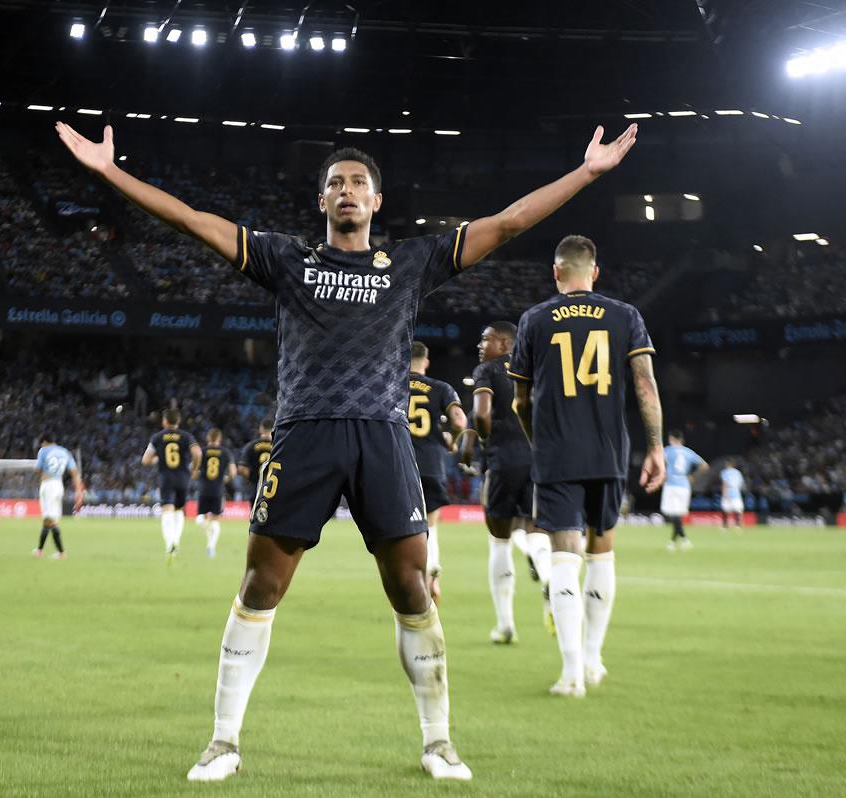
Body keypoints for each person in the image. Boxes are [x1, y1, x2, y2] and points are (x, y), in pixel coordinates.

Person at [56, 116, 637, 782]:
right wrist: (108, 172)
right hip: (303, 433)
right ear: (323, 201)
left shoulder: (412, 264)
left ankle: (438, 740)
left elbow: (507, 222)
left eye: (360, 182)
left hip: (383, 436)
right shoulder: (287, 259)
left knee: (413, 588)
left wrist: (587, 173)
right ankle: (222, 740)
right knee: (258, 584)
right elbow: (193, 220)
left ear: (377, 201)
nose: (348, 190)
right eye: (336, 183)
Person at [510, 234, 665, 697]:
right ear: (594, 272)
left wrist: (540, 440)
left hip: (557, 455)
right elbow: (645, 386)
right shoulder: (625, 316)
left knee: (563, 558)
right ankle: (595, 658)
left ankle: (571, 671)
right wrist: (655, 446)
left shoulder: (535, 319)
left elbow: (520, 401)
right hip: (608, 452)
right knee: (602, 551)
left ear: (556, 272)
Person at [462, 321, 549, 644]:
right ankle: (550, 579)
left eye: (485, 339)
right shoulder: (538, 366)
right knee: (534, 528)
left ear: (502, 342)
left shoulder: (488, 370)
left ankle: (505, 624)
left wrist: (484, 444)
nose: (480, 346)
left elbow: (481, 415)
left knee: (499, 539)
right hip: (539, 459)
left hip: (504, 457)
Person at [408, 340, 468, 602]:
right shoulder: (441, 387)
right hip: (432, 464)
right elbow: (459, 420)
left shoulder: (390, 386)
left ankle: (414, 579)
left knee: (404, 527)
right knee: (431, 523)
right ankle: (432, 567)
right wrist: (452, 441)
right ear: (427, 361)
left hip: (399, 463)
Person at [142, 409, 202, 562]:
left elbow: (145, 460)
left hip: (166, 477)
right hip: (183, 477)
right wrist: (194, 469)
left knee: (167, 510)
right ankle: (176, 541)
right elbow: (197, 453)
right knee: (179, 510)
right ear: (178, 421)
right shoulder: (186, 436)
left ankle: (170, 545)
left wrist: (158, 459)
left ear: (164, 421)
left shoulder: (157, 437)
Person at [33, 434, 85, 560]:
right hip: (58, 485)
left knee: (50, 520)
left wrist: (41, 473)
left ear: (44, 442)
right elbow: (74, 472)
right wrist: (79, 491)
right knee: (49, 519)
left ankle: (62, 552)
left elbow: (37, 469)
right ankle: (39, 550)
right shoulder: (65, 452)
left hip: (48, 485)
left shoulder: (43, 450)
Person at [661, 431, 708, 551]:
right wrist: (693, 476)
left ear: (671, 439)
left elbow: (660, 460)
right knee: (677, 515)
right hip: (684, 485)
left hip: (672, 484)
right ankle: (673, 542)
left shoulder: (668, 450)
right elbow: (704, 465)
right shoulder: (688, 452)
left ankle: (684, 539)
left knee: (673, 515)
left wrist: (663, 474)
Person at [194, 428, 237, 559]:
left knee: (201, 518)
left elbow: (194, 471)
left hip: (203, 489)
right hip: (218, 490)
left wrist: (199, 476)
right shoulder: (226, 452)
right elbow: (233, 472)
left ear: (208, 438)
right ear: (219, 439)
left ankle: (208, 537)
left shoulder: (202, 452)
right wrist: (226, 478)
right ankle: (211, 547)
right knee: (215, 520)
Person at [237, 419, 274, 501]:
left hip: (255, 490)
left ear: (261, 429)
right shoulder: (278, 446)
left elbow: (241, 469)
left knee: (255, 513)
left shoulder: (250, 446)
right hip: (273, 490)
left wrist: (254, 479)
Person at [719, 459, 745, 532]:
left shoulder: (725, 472)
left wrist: (724, 493)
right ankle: (738, 526)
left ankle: (725, 527)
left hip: (728, 491)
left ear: (728, 465)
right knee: (738, 509)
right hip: (736, 492)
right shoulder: (738, 473)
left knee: (725, 510)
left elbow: (724, 483)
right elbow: (741, 483)